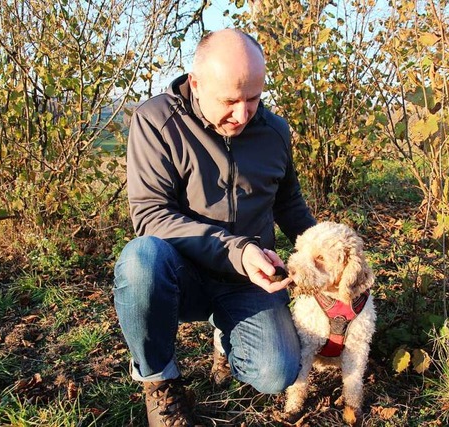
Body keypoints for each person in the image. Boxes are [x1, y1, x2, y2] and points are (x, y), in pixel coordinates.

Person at [113, 28, 316, 426]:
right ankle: (160, 382)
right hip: (181, 272)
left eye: (253, 98)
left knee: (277, 373)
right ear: (196, 82)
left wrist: (323, 248)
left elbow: (288, 203)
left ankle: (227, 339)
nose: (242, 115)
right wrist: (237, 251)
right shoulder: (156, 122)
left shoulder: (275, 132)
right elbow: (152, 214)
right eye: (229, 101)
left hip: (250, 281)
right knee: (140, 259)